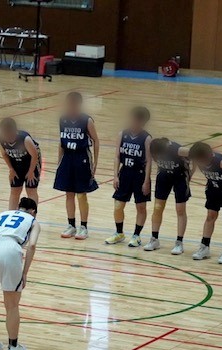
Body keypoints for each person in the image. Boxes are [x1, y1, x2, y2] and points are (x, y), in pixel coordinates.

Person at [0, 197, 40, 350]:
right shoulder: (33, 221)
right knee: (12, 305)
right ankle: (13, 348)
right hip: (10, 249)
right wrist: (24, 272)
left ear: (18, 207)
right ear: (33, 211)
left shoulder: (3, 214)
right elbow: (32, 245)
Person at [53, 92, 100, 240]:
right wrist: (59, 162)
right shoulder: (63, 119)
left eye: (74, 104)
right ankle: (71, 225)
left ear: (79, 104)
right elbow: (61, 142)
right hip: (67, 157)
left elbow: (96, 141)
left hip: (82, 157)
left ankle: (83, 227)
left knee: (81, 194)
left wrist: (95, 162)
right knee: (69, 194)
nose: (71, 106)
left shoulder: (86, 120)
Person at [105, 107, 152, 247]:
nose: (134, 121)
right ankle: (119, 233)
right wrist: (115, 176)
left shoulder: (147, 138)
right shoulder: (122, 134)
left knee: (141, 207)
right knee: (118, 205)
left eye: (138, 119)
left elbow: (149, 161)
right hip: (125, 172)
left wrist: (146, 181)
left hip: (139, 174)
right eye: (133, 118)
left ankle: (137, 235)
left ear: (143, 122)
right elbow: (117, 156)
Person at [144, 137, 193, 254]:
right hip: (163, 176)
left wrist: (191, 172)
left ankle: (179, 242)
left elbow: (196, 154)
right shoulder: (153, 147)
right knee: (157, 208)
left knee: (180, 209)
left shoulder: (178, 150)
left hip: (180, 178)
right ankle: (154, 239)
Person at [0, 117, 41, 210]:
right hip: (15, 164)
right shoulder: (1, 139)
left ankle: (32, 215)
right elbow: (4, 155)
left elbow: (34, 155)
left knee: (31, 189)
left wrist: (31, 171)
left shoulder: (25, 139)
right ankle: (11, 214)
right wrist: (11, 169)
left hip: (31, 162)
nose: (6, 135)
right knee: (15, 190)